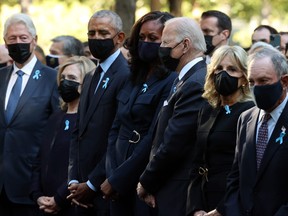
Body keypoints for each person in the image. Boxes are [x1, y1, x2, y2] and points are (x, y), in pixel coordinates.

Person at [100, 11, 176, 216]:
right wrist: (111, 173)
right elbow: (116, 127)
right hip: (115, 173)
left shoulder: (172, 80)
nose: (145, 43)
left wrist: (119, 179)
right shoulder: (132, 75)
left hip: (142, 179)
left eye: (153, 38)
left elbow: (154, 136)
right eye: (141, 37)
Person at [137, 17, 207, 216]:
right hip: (167, 184)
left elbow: (175, 142)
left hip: (177, 187)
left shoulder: (195, 82)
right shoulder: (184, 78)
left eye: (166, 43)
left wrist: (147, 181)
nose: (161, 49)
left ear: (185, 45)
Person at [67, 10, 130, 216]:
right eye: (91, 33)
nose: (96, 38)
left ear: (119, 38)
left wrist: (92, 183)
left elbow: (118, 136)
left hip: (105, 189)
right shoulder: (90, 76)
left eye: (103, 33)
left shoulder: (126, 75)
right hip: (80, 190)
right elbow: (78, 132)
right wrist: (74, 180)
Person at [0, 13, 59, 216]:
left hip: (32, 187)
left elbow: (56, 132)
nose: (18, 42)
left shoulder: (52, 79)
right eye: (12, 38)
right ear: (5, 43)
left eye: (23, 38)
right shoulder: (0, 77)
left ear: (34, 40)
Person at [186, 45, 254, 216]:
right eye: (219, 68)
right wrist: (195, 207)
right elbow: (196, 162)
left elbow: (246, 170)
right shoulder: (207, 109)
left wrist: (222, 209)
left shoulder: (250, 112)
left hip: (229, 204)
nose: (224, 74)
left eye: (232, 69)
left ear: (244, 77)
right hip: (201, 199)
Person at [224, 47, 288, 216]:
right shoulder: (245, 119)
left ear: (284, 82)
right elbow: (235, 177)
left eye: (264, 81)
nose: (256, 88)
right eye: (252, 82)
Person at [30, 56, 96, 216]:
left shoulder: (90, 121)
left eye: (72, 78)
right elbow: (40, 158)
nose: (65, 82)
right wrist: (37, 195)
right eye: (63, 78)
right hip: (44, 204)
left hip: (71, 205)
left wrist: (59, 199)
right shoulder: (56, 116)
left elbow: (83, 166)